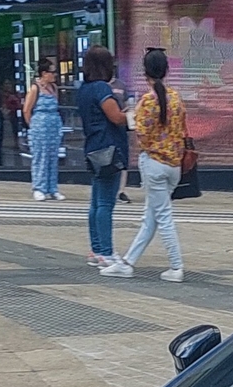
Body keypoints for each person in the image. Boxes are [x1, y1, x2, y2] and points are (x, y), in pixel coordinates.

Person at [109, 46, 189, 281]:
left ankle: (176, 266)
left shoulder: (147, 101)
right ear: (166, 70)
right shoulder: (175, 98)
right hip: (174, 164)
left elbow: (140, 132)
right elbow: (183, 128)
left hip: (153, 163)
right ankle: (127, 262)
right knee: (152, 216)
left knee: (162, 217)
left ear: (146, 72)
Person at [77, 45, 129, 268]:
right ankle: (106, 253)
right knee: (106, 202)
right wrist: (132, 116)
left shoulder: (84, 89)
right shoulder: (101, 89)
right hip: (109, 148)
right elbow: (116, 117)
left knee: (96, 202)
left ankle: (96, 249)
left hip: (93, 147)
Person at [23, 63, 64, 200]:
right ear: (44, 73)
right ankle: (39, 187)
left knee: (53, 156)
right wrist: (33, 125)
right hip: (40, 126)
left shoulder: (54, 88)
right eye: (52, 72)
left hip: (53, 125)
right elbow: (27, 109)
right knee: (40, 157)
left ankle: (52, 188)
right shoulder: (35, 88)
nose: (54, 74)